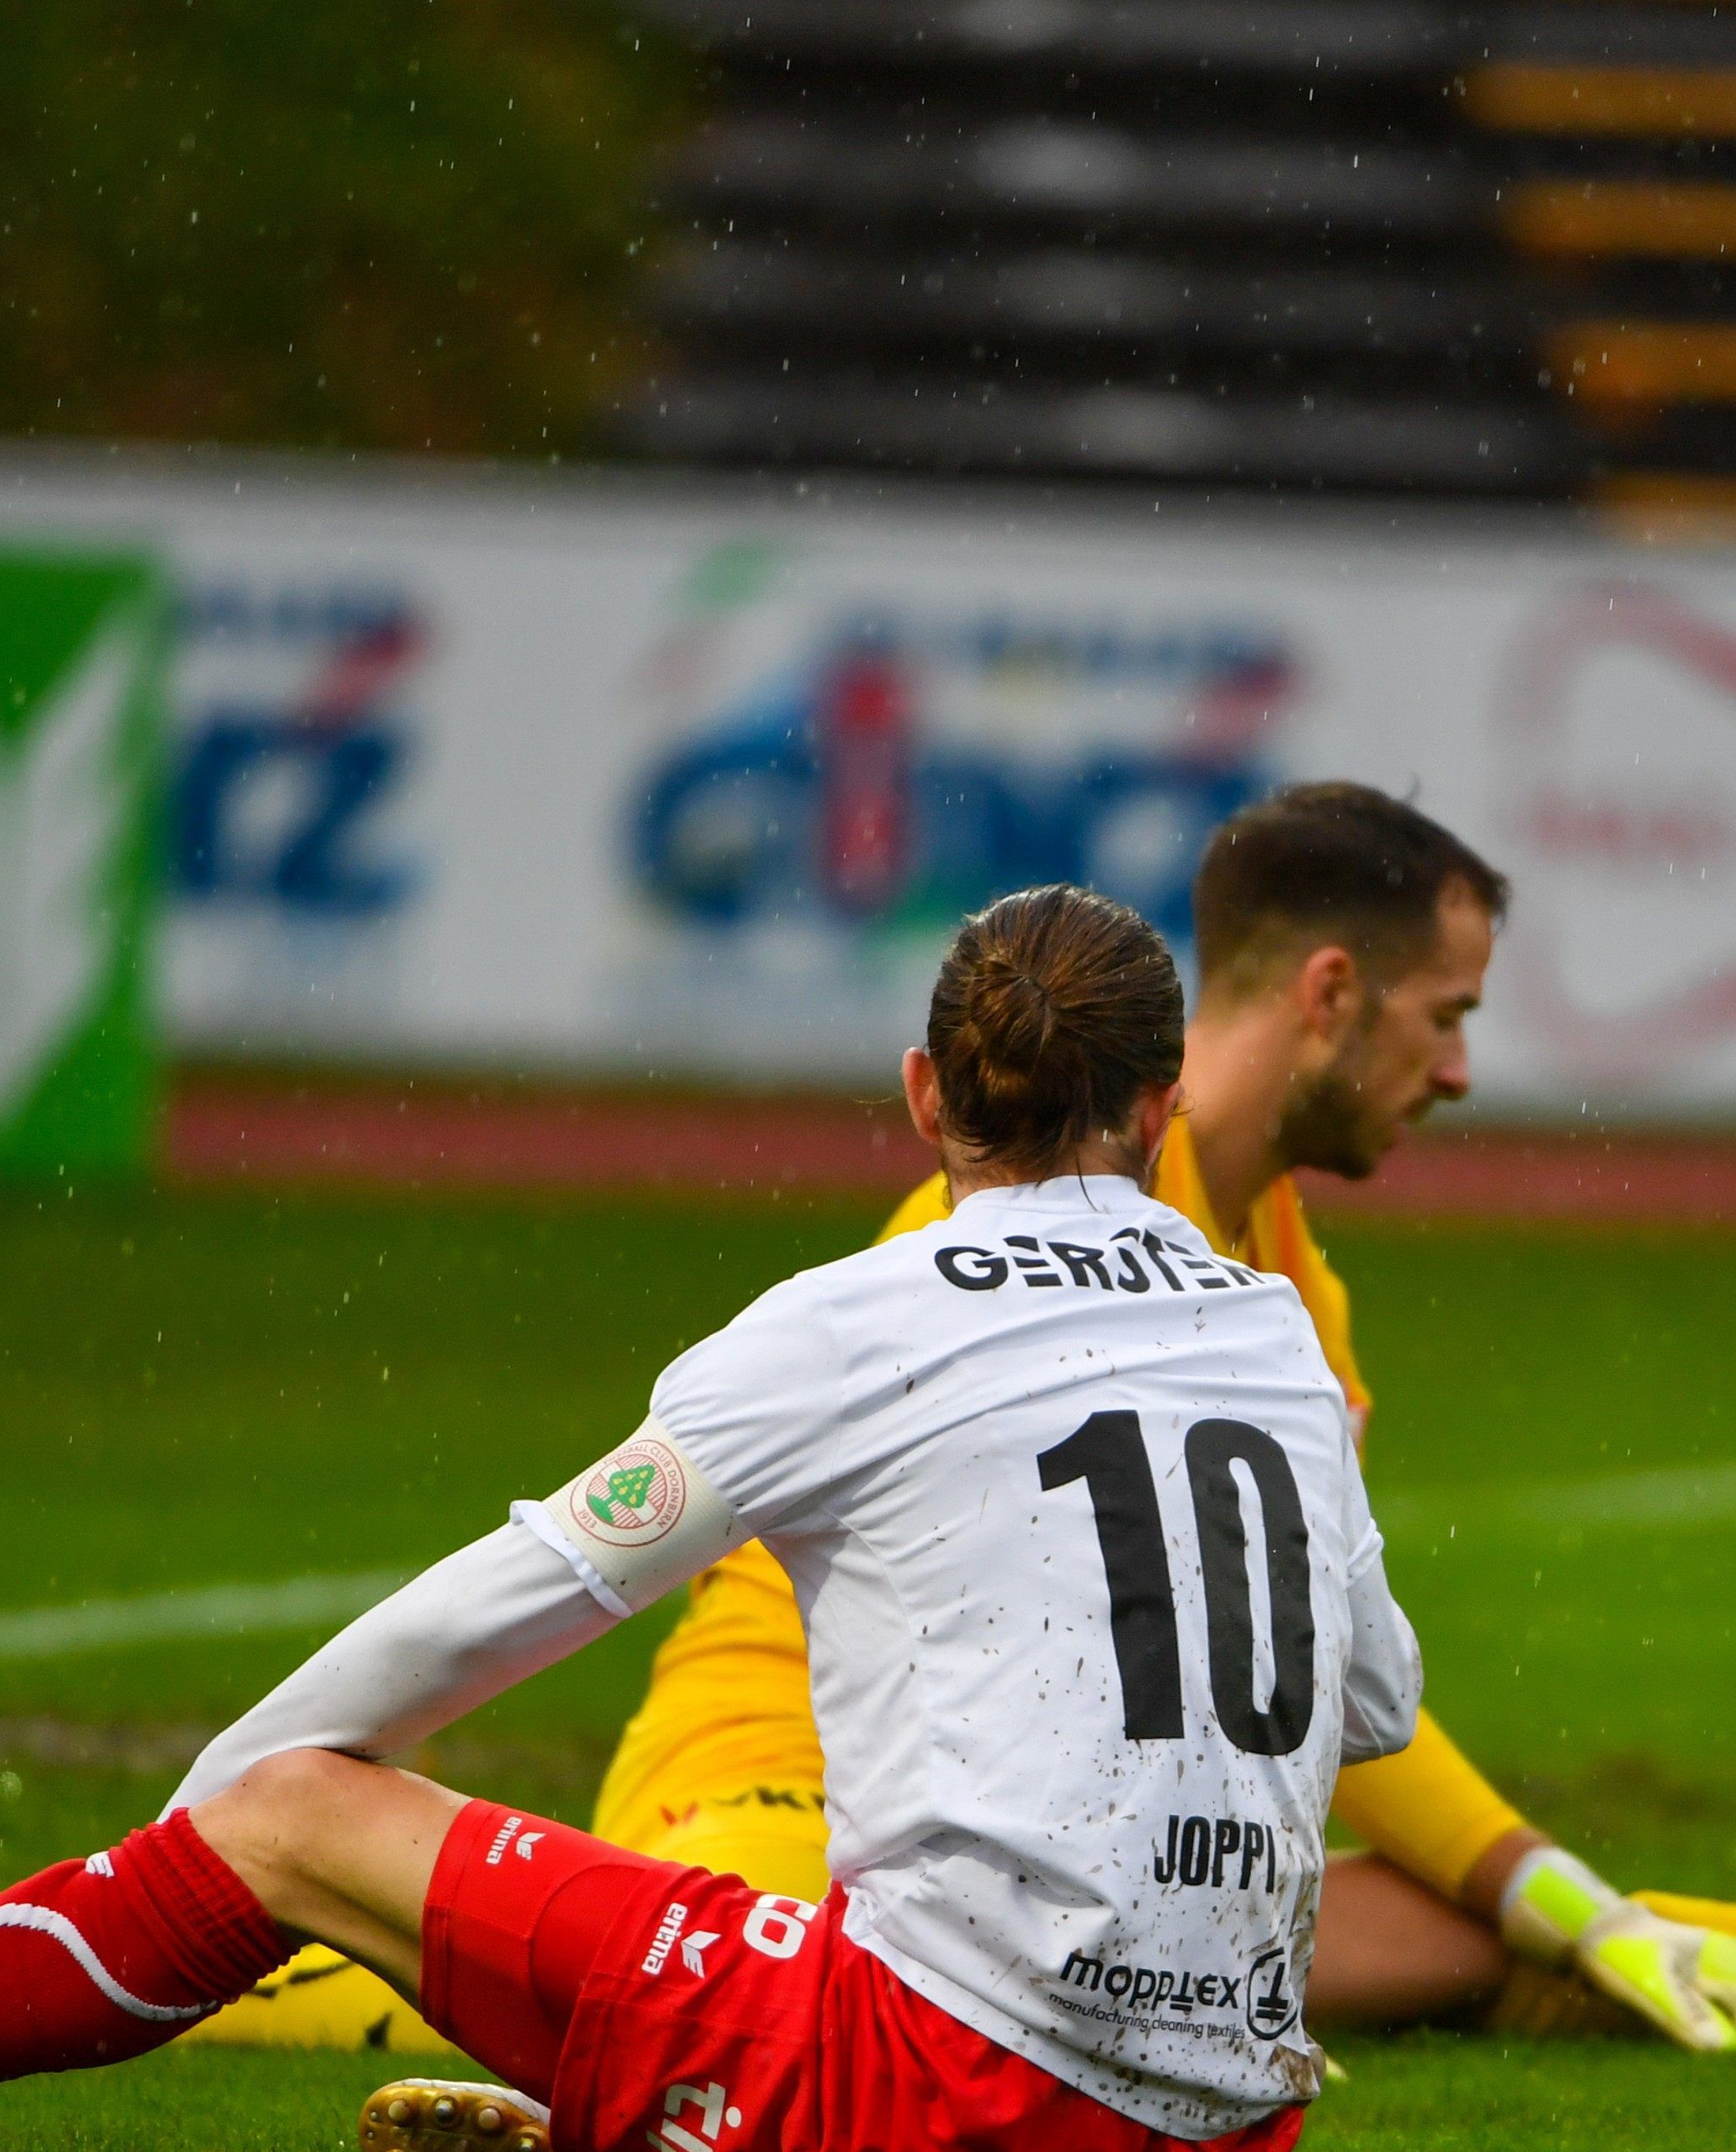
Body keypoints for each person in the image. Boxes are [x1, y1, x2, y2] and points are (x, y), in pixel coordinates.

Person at [0, 885, 1422, 2152]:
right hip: (1232, 2113)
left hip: (951, 2082)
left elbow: (514, 1598)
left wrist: (223, 1820)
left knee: (304, 1816)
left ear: (922, 1093)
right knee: (743, 1914)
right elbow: (1367, 1702)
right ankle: (625, 2103)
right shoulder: (1265, 1326)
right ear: (1162, 1106)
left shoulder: (857, 1316)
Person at [174, 783, 1736, 2056]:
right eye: (1445, 1015)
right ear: (1333, 994)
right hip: (798, 1799)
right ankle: (266, 1990)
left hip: (1057, 1836)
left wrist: (1562, 1901)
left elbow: (1285, 1674)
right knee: (728, 1997)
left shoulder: (1284, 1292)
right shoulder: (987, 1242)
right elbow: (564, 1563)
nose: (1462, 1069)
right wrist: (1557, 1897)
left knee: (1503, 1929)